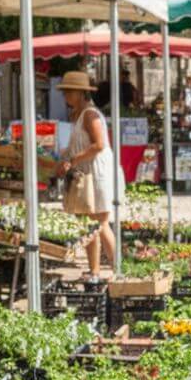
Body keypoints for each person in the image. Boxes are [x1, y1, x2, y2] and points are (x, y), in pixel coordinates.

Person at [55, 70, 121, 280]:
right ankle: (94, 271)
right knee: (89, 225)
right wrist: (65, 156)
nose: (65, 97)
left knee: (101, 224)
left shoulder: (90, 114)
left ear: (80, 93)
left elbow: (99, 144)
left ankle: (118, 269)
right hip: (88, 175)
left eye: (68, 92)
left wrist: (72, 161)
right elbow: (80, 144)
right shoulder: (79, 115)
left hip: (98, 175)